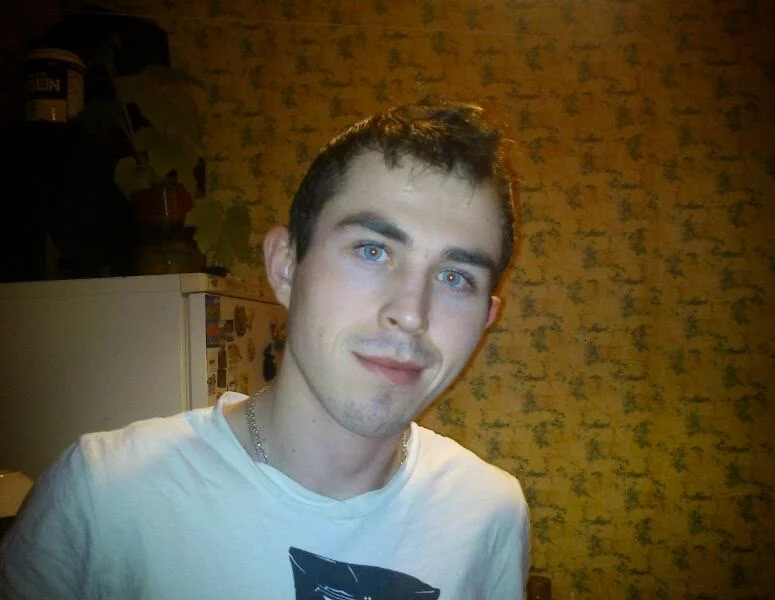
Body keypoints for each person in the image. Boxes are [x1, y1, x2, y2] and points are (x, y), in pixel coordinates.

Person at [0, 100, 531, 598]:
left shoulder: (489, 513)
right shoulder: (103, 497)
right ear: (285, 266)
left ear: (487, 319)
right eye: (372, 250)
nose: (412, 314)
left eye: (456, 277)